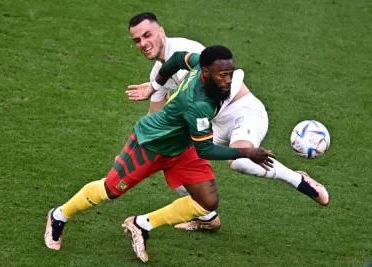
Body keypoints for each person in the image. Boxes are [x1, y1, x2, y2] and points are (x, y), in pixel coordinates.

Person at [44, 45, 275, 263]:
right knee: (110, 190)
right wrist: (246, 152)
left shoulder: (198, 64)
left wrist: (155, 86)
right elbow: (206, 149)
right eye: (222, 75)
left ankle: (142, 224)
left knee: (208, 201)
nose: (228, 80)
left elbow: (175, 59)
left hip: (183, 147)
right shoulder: (198, 104)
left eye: (230, 73)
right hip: (151, 144)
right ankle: (59, 215)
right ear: (205, 72)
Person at [126, 12, 330, 231]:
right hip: (212, 125)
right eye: (137, 40)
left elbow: (199, 99)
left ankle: (299, 180)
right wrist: (143, 149)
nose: (144, 43)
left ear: (161, 31)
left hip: (242, 112)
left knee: (240, 161)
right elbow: (155, 119)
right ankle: (207, 217)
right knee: (175, 158)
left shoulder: (187, 51)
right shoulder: (158, 73)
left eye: (147, 35)